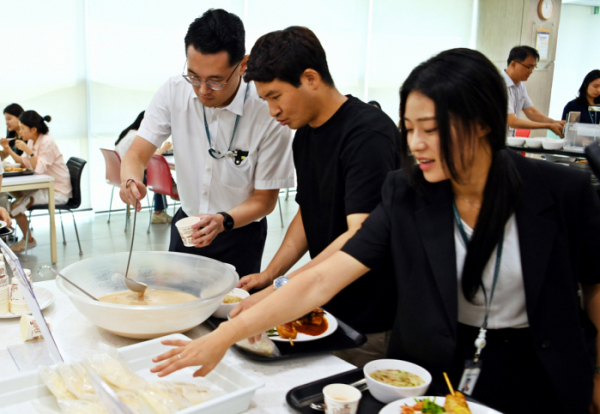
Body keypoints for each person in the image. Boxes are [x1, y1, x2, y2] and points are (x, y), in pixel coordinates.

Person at [150, 49, 600, 414]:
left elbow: (594, 287)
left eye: (430, 129)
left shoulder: (562, 191)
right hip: (434, 372)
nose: (415, 144)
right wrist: (225, 335)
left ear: (483, 123)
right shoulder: (407, 193)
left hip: (539, 371)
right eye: (409, 129)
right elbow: (324, 277)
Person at [236, 26, 400, 366]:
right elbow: (309, 212)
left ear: (310, 78)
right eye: (265, 100)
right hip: (323, 303)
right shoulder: (305, 136)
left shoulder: (368, 135)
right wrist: (271, 273)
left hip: (369, 318)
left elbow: (360, 235)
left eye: (276, 96)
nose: (272, 111)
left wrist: (279, 289)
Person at [120, 9, 294, 277]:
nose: (202, 90)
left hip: (238, 231)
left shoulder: (266, 110)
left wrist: (223, 221)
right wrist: (130, 181)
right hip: (187, 225)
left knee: (231, 315)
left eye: (215, 80)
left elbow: (265, 199)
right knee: (178, 307)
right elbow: (136, 153)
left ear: (243, 65)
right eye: (194, 76)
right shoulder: (174, 91)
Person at [2, 111, 72, 253]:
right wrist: (9, 150)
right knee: (14, 193)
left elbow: (39, 168)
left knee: (14, 207)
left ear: (33, 129)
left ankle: (29, 240)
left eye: (22, 128)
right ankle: (23, 237)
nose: (20, 131)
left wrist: (27, 149)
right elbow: (24, 162)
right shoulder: (34, 139)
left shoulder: (47, 141)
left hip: (56, 191)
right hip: (43, 187)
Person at [116, 111, 174, 224]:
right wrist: (164, 148)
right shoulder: (136, 137)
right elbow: (152, 156)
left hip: (121, 175)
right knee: (160, 177)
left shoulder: (128, 133)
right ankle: (159, 212)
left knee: (159, 174)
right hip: (131, 177)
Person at [503, 46, 565, 137]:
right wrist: (549, 126)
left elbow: (532, 112)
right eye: (529, 67)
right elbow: (512, 122)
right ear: (513, 64)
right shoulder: (500, 84)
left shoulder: (520, 85)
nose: (531, 71)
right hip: (493, 145)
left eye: (533, 68)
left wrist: (554, 122)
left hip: (509, 142)